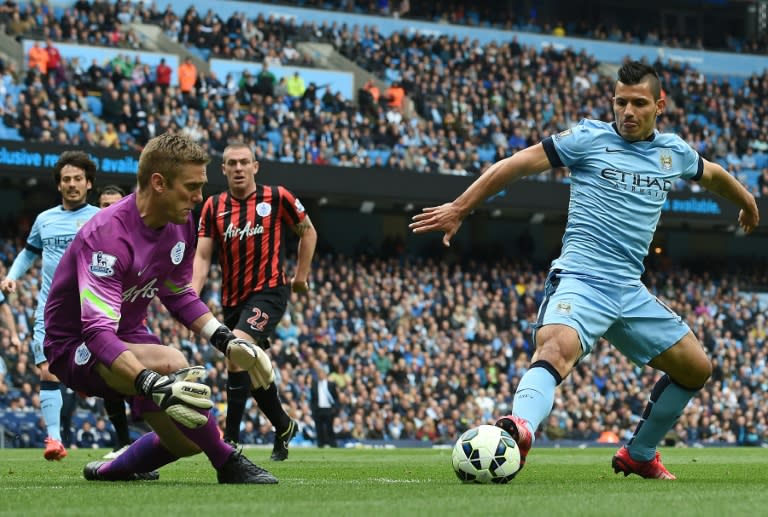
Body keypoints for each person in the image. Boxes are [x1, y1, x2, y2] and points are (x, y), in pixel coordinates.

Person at [409, 61, 760, 480]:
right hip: (581, 279)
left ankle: (640, 454)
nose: (627, 111)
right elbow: (516, 163)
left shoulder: (673, 153)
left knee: (695, 368)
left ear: (658, 106)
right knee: (556, 348)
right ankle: (520, 429)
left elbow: (714, 174)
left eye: (638, 103)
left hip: (629, 291)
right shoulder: (588, 138)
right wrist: (460, 207)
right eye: (620, 102)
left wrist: (747, 201)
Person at [42, 132, 278, 484]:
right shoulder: (107, 236)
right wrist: (151, 381)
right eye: (192, 187)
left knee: (186, 441)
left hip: (128, 337)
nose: (199, 197)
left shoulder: (179, 223)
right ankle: (227, 463)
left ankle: (110, 470)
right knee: (174, 363)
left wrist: (227, 340)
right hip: (75, 346)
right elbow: (97, 332)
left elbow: (178, 293)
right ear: (159, 183)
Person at [193, 142, 317, 461]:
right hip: (232, 299)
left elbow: (308, 232)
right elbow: (203, 255)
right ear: (223, 169)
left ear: (255, 166)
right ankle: (284, 425)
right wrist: (191, 293)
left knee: (236, 350)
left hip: (270, 290)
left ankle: (231, 439)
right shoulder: (212, 206)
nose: (237, 168)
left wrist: (300, 277)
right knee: (254, 365)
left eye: (243, 162)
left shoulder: (276, 197)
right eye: (231, 163)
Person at [1, 151, 100, 461]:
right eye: (66, 179)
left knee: (102, 370)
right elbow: (29, 253)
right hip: (50, 309)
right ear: (59, 185)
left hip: (89, 307)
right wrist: (12, 276)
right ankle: (54, 440)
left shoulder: (101, 218)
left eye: (77, 179)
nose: (72, 184)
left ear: (88, 183)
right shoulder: (44, 219)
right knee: (47, 369)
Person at [96, 183, 133, 459]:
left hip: (132, 319)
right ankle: (122, 440)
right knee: (108, 378)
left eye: (114, 205)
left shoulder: (137, 238)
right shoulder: (89, 238)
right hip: (103, 320)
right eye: (104, 206)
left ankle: (158, 435)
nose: (109, 211)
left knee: (138, 376)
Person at [309, 363, 338, 448]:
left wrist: (334, 409)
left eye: (322, 373)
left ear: (325, 374)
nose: (320, 375)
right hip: (318, 409)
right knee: (319, 428)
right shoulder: (314, 385)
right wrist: (313, 410)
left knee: (329, 427)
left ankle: (332, 443)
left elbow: (335, 397)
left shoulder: (331, 385)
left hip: (329, 409)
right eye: (319, 374)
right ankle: (320, 444)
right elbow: (313, 399)